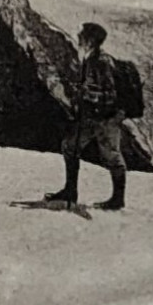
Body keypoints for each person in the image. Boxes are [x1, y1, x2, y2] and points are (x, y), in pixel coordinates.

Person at [44, 21, 129, 211]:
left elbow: (109, 94)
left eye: (83, 34)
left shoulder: (101, 62)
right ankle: (70, 191)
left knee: (112, 156)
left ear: (90, 40)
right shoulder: (92, 59)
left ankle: (117, 200)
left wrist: (85, 94)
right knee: (70, 146)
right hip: (93, 116)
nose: (79, 36)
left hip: (106, 118)